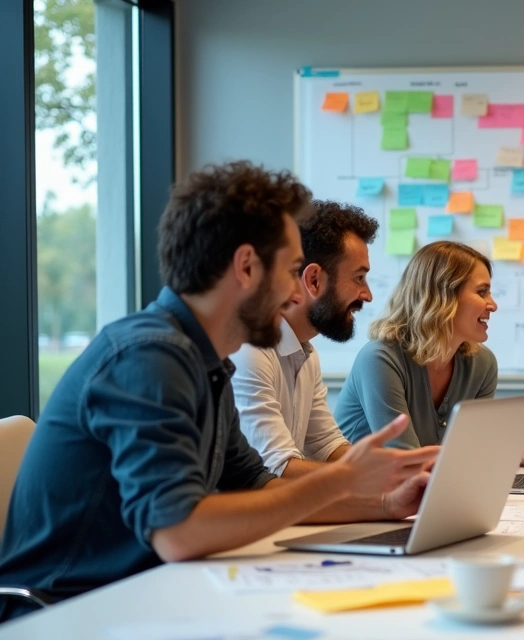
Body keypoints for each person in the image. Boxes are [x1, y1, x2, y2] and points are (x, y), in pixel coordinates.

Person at [0, 162, 436, 621]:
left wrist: (385, 506)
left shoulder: (204, 360)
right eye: (290, 270)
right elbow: (179, 531)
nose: (295, 291)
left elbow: (258, 485)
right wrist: (342, 480)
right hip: (64, 614)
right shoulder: (149, 357)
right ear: (246, 267)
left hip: (138, 596)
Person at [232, 200, 434, 477]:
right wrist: (378, 487)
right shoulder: (250, 352)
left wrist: (398, 472)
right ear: (314, 280)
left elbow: (327, 445)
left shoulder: (306, 354)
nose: (367, 295)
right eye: (359, 278)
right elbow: (277, 468)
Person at [334, 241, 524, 468]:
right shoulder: (379, 359)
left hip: (420, 493)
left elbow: (470, 449)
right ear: (442, 296)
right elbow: (406, 461)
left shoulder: (482, 364)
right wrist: (491, 454)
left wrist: (504, 452)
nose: (493, 305)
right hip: (359, 497)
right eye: (482, 292)